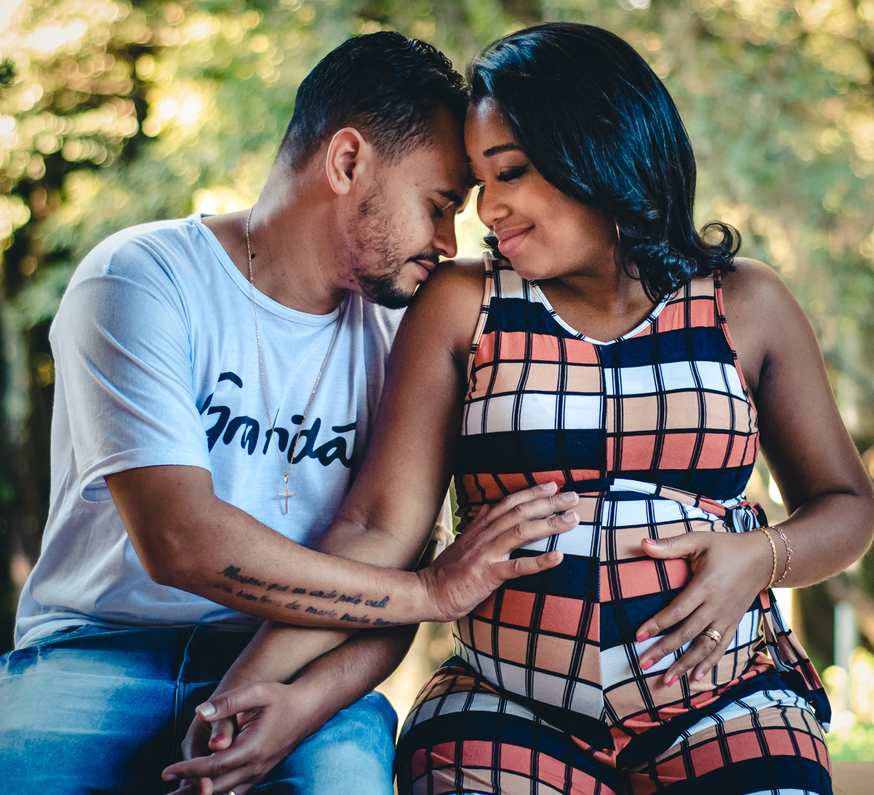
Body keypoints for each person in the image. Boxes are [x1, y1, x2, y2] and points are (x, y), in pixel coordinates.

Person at [171, 22, 874, 795]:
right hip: (506, 713)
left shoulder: (748, 303)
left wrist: (761, 556)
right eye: (479, 184)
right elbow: (377, 531)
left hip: (723, 703)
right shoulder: (461, 303)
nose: (488, 211)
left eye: (510, 173)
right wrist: (236, 699)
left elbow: (845, 506)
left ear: (597, 151)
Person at [0, 32, 577, 795]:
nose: (450, 241)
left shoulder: (408, 340)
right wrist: (430, 593)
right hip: (97, 652)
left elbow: (386, 570)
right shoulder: (141, 279)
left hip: (308, 668)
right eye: (439, 206)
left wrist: (302, 701)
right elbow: (181, 539)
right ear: (346, 162)